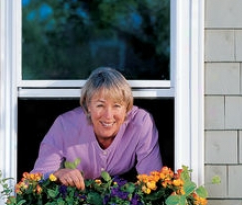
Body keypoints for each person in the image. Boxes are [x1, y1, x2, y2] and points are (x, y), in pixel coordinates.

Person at [32, 67, 162, 190]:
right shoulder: (65, 125)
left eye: (116, 106)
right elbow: (33, 181)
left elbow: (153, 180)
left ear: (127, 108)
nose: (108, 116)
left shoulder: (141, 123)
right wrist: (57, 174)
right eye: (100, 105)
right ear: (88, 105)